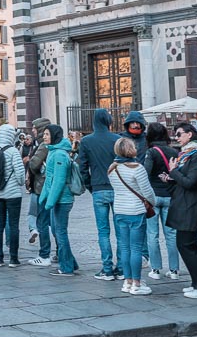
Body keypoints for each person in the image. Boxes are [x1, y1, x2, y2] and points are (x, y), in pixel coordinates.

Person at [167, 129, 197, 298]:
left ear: (190, 134)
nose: (176, 137)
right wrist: (171, 177)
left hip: (191, 205)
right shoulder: (187, 155)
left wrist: (173, 172)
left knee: (187, 244)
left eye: (179, 134)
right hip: (185, 203)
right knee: (187, 244)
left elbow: (191, 182)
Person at [78, 109, 121, 280]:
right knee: (120, 230)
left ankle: (107, 268)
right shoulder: (117, 139)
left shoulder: (87, 141)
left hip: (98, 188)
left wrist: (90, 185)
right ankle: (122, 267)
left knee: (103, 231)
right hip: (117, 188)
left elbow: (82, 168)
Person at [109, 138, 156, 294]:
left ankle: (127, 281)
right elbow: (147, 191)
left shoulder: (112, 168)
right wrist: (152, 202)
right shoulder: (137, 168)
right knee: (136, 248)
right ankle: (137, 283)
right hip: (135, 211)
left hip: (119, 210)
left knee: (124, 247)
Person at [39, 124, 79, 276]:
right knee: (58, 230)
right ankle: (70, 263)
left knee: (60, 232)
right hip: (58, 199)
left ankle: (66, 267)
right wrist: (44, 197)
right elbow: (49, 179)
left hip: (62, 200)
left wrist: (49, 201)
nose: (44, 137)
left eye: (47, 134)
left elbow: (59, 180)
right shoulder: (54, 152)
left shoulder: (59, 155)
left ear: (54, 136)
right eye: (44, 134)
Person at [146, 123, 183, 281]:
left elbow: (145, 173)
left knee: (152, 234)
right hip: (169, 195)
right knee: (171, 234)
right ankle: (174, 270)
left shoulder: (151, 152)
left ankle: (155, 269)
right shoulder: (174, 151)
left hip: (154, 196)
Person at [0, 124, 25, 267]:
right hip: (12, 194)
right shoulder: (13, 151)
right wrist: (19, 183)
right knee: (13, 225)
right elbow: (20, 175)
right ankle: (13, 259)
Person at [25, 117, 54, 266]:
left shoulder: (43, 146)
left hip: (41, 187)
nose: (33, 131)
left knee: (42, 221)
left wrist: (31, 161)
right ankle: (61, 252)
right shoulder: (51, 144)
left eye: (35, 128)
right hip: (49, 187)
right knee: (54, 223)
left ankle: (44, 255)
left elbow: (34, 163)